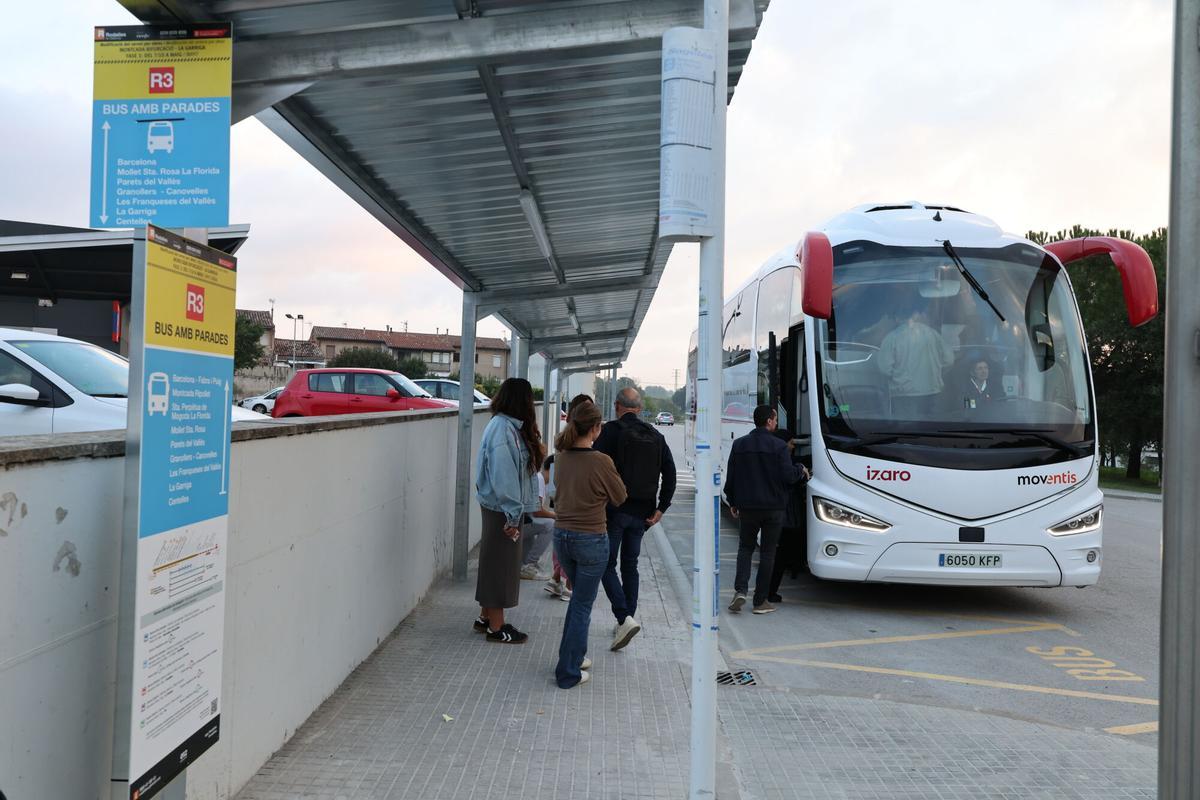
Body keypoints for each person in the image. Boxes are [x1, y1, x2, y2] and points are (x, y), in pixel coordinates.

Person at [594, 387, 677, 651]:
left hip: (615, 510)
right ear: (639, 409)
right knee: (630, 565)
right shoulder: (656, 435)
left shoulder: (610, 432)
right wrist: (661, 508)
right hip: (643, 513)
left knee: (606, 564)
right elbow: (671, 474)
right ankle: (625, 622)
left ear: (617, 406)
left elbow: (594, 466)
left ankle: (624, 617)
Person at [552, 401, 627, 688]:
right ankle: (568, 672)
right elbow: (620, 497)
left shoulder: (561, 457)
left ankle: (573, 656)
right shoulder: (601, 461)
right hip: (591, 539)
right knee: (583, 605)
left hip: (562, 537)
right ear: (596, 428)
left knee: (577, 603)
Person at [473, 378, 545, 644]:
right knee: (500, 566)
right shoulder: (504, 430)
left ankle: (485, 617)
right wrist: (514, 515)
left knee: (494, 562)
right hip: (503, 509)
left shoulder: (506, 427)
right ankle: (496, 627)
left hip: (500, 507)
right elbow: (504, 478)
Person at [725, 404, 808, 615]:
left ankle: (740, 591)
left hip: (748, 507)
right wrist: (801, 470)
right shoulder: (779, 447)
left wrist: (733, 502)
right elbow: (789, 476)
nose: (776, 423)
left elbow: (731, 478)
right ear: (769, 421)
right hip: (773, 509)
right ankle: (760, 601)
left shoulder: (739, 444)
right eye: (775, 419)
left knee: (745, 548)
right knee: (768, 553)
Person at [543, 394, 595, 599]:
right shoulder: (583, 438)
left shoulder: (563, 435)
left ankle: (557, 577)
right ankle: (568, 583)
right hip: (577, 497)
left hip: (562, 495)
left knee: (562, 539)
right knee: (574, 541)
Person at [877, 298, 954, 418]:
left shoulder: (891, 338)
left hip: (904, 393)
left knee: (907, 429)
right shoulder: (933, 334)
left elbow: (884, 368)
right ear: (915, 315)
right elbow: (949, 359)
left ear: (897, 317)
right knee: (930, 427)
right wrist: (936, 374)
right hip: (932, 390)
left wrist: (899, 378)